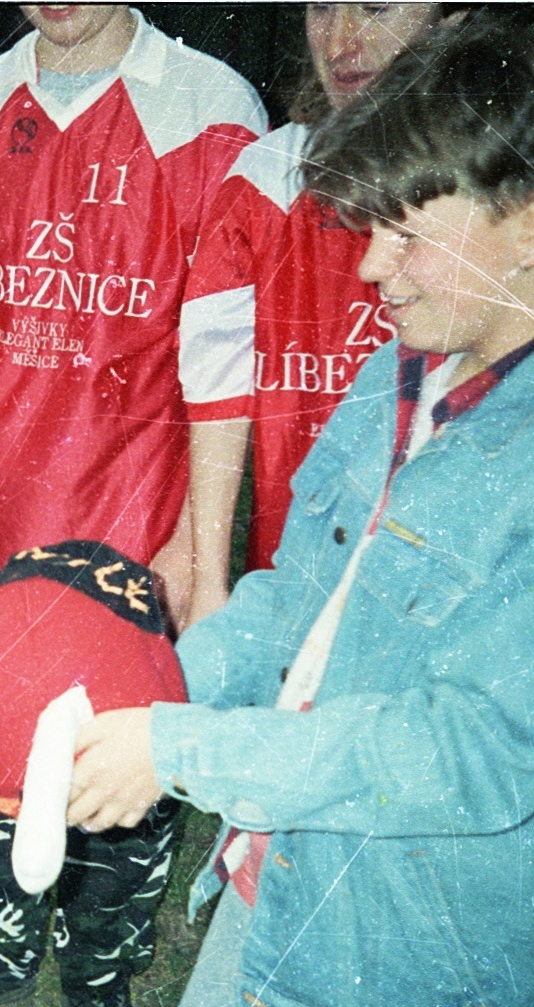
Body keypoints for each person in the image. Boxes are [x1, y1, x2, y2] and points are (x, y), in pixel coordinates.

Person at [63, 15, 534, 1007]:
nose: (369, 266)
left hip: (425, 989)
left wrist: (182, 747)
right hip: (277, 898)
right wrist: (142, 687)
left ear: (530, 223)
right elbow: (294, 600)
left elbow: (479, 749)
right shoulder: (398, 374)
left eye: (405, 234)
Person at [0, 5, 265, 1007]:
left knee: (120, 800)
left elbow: (220, 355)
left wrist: (200, 551)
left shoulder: (211, 112)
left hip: (123, 540)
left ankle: (101, 978)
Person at [179, 3, 447, 627]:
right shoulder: (266, 177)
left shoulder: (501, 182)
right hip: (289, 582)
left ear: (452, 18)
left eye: (377, 7)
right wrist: (209, 580)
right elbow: (217, 394)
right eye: (323, 6)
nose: (342, 40)